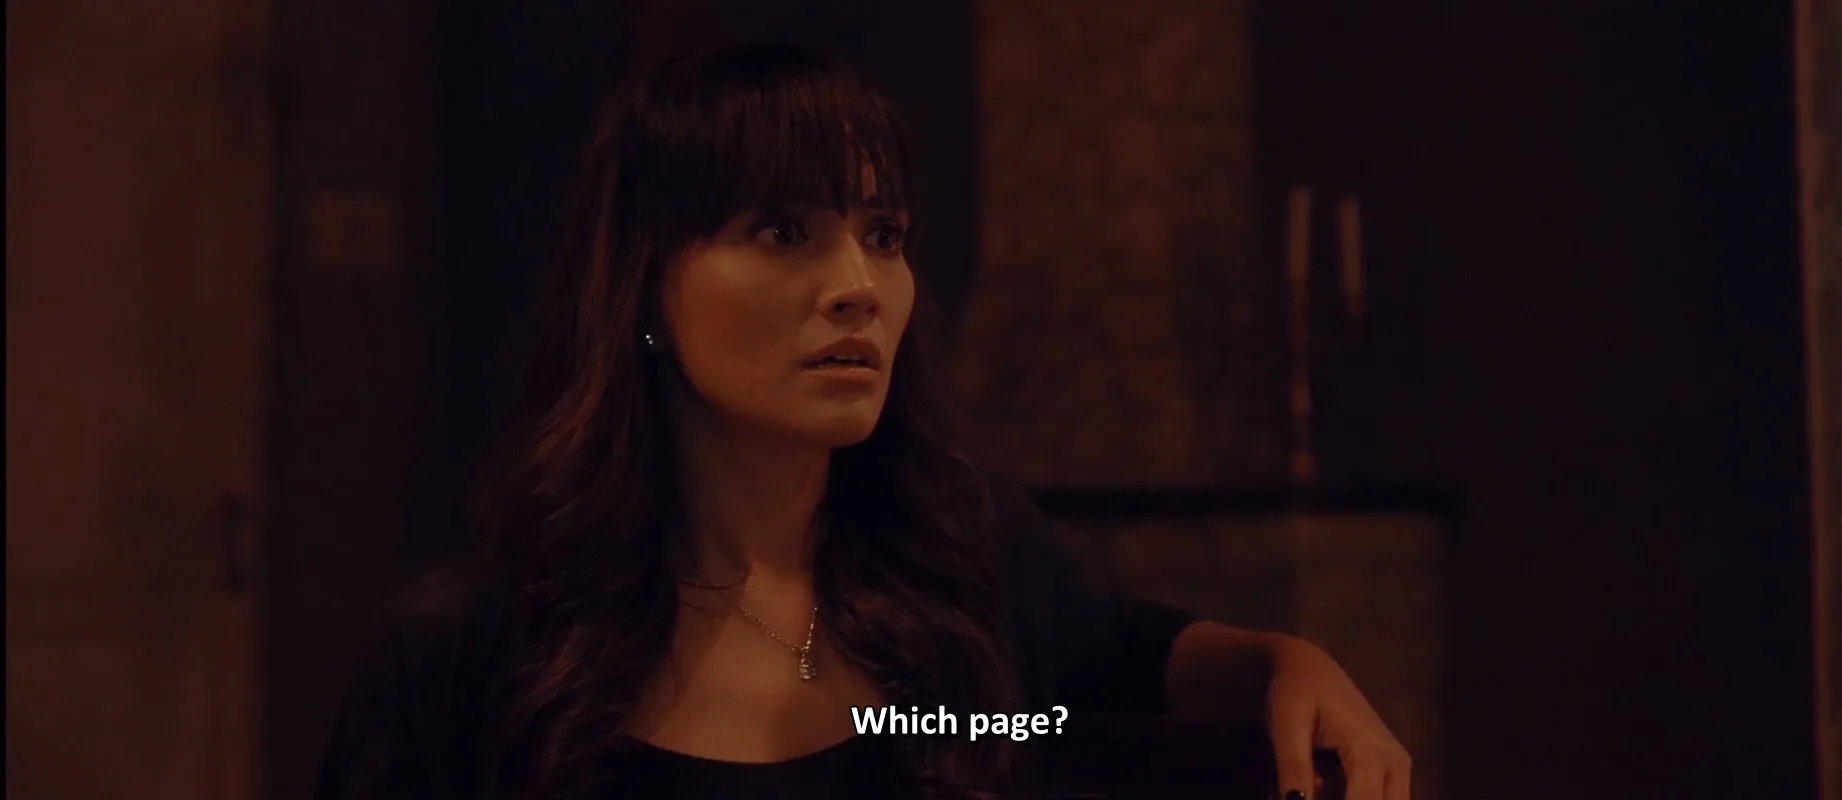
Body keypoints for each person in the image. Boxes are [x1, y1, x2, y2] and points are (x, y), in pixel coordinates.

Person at [315, 42, 1411, 800]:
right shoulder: (477, 649)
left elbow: (1131, 661)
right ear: (645, 287)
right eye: (784, 231)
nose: (859, 288)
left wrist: (1287, 662)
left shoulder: (957, 569)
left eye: (883, 236)